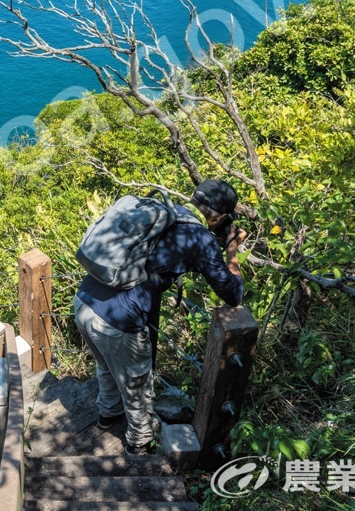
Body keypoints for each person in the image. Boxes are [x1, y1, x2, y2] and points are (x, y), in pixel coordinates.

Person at [73, 179, 248, 455]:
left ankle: (108, 415)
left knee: (107, 365)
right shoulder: (198, 238)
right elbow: (233, 293)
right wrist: (231, 249)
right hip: (117, 321)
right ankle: (139, 446)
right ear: (219, 216)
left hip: (84, 302)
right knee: (137, 383)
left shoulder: (167, 213)